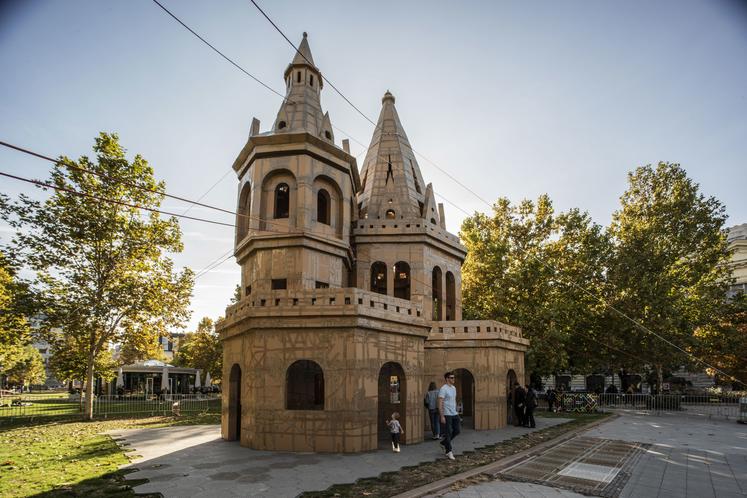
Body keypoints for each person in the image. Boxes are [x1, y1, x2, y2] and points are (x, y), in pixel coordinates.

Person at [438, 371, 460, 461]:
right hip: (446, 413)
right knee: (448, 432)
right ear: (447, 379)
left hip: (454, 413)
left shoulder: (454, 388)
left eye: (454, 377)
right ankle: (448, 451)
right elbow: (440, 403)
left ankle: (443, 443)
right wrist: (442, 416)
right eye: (451, 378)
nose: (453, 379)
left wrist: (457, 410)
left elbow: (453, 400)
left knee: (457, 430)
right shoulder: (443, 389)